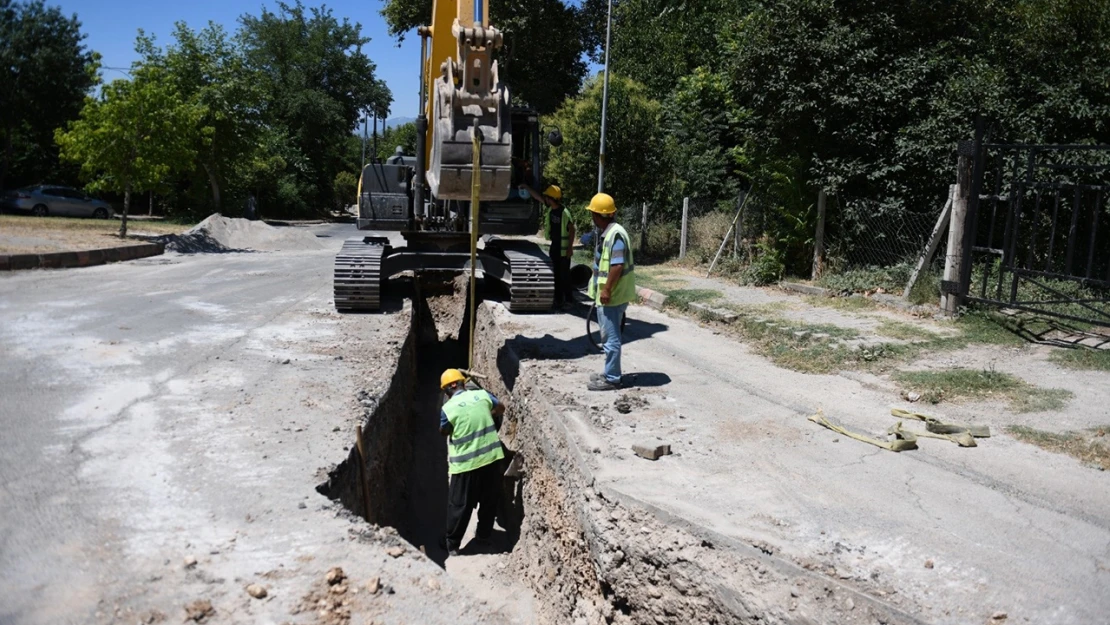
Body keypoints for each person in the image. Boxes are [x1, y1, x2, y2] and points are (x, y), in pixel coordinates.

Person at [438, 368, 506, 555]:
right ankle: (483, 537)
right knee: (489, 499)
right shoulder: (482, 395)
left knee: (459, 504)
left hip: (465, 465)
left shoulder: (447, 409)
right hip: (492, 458)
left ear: (447, 391)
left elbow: (444, 431)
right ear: (463, 383)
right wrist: (486, 417)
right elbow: (501, 408)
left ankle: (452, 544)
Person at [586, 193, 635, 391]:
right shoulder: (611, 232)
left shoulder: (615, 235)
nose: (592, 218)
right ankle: (609, 372)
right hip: (612, 295)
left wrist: (606, 290)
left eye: (593, 214)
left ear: (599, 215)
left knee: (610, 338)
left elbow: (616, 266)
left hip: (612, 297)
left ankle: (613, 378)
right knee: (609, 337)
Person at [521, 183, 575, 308]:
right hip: (555, 247)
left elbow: (572, 230)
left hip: (563, 250)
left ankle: (569, 301)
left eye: (547, 197)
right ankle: (558, 300)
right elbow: (538, 197)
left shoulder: (564, 212)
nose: (545, 199)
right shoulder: (551, 209)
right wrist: (527, 187)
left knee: (564, 276)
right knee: (555, 275)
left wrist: (570, 248)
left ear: (552, 198)